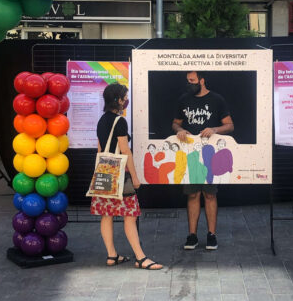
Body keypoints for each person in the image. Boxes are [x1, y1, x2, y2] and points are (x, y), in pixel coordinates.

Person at [91, 83, 162, 270]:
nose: (126, 100)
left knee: (106, 215)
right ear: (119, 100)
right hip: (120, 173)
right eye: (124, 97)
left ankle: (111, 255)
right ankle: (140, 258)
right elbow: (125, 151)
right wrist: (135, 177)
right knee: (130, 215)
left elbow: (100, 148)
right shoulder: (119, 121)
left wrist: (98, 171)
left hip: (103, 170)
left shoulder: (101, 120)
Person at [172, 71, 234, 251]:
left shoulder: (217, 99)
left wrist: (214, 129)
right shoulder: (183, 99)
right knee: (192, 194)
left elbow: (230, 125)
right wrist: (179, 130)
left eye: (192, 80)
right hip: (189, 153)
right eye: (187, 81)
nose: (189, 83)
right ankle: (192, 236)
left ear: (202, 80)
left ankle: (211, 235)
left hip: (210, 153)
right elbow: (175, 123)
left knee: (210, 194)